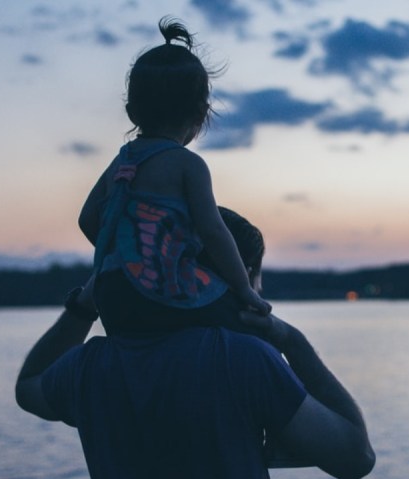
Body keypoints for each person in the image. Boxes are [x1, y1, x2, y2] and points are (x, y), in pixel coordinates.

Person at [15, 208, 375, 479]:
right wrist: (291, 341)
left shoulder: (90, 367)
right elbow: (355, 458)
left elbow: (29, 387)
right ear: (242, 278)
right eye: (257, 284)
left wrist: (86, 303)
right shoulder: (242, 360)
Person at [79, 17, 270, 337]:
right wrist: (243, 288)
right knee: (246, 324)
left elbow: (87, 220)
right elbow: (213, 231)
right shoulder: (187, 164)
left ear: (131, 112)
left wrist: (126, 254)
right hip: (163, 291)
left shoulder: (121, 162)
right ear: (201, 113)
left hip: (110, 294)